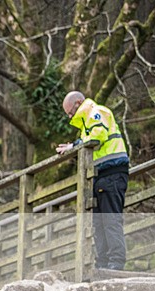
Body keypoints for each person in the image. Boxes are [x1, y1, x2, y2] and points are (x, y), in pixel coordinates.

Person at [57, 91, 129, 270]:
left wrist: (74, 145)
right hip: (100, 175)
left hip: (112, 172)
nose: (70, 116)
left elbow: (97, 137)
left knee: (110, 219)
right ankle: (103, 263)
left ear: (79, 102)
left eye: (70, 112)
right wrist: (74, 145)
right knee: (99, 222)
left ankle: (116, 262)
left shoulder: (97, 112)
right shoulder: (86, 123)